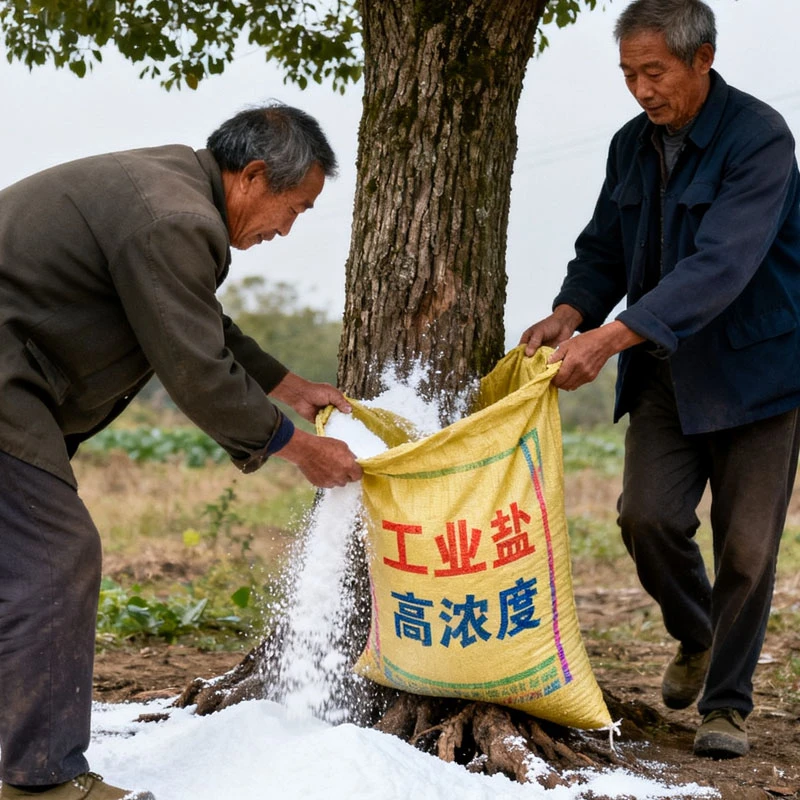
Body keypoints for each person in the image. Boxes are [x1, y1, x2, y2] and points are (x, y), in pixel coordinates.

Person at [0, 103, 363, 799]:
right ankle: (41, 783)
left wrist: (288, 385)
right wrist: (300, 450)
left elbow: (198, 320)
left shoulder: (172, 193)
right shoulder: (176, 218)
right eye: (296, 207)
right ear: (253, 176)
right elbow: (195, 366)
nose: (288, 228)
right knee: (55, 554)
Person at [519, 0, 800, 759]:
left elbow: (723, 265)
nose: (642, 90)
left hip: (757, 377)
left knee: (746, 552)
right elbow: (606, 245)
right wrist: (572, 310)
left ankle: (728, 707)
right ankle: (697, 633)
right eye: (629, 75)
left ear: (702, 60)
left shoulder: (761, 139)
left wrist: (611, 337)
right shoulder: (630, 146)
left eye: (655, 72)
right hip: (664, 375)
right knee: (645, 518)